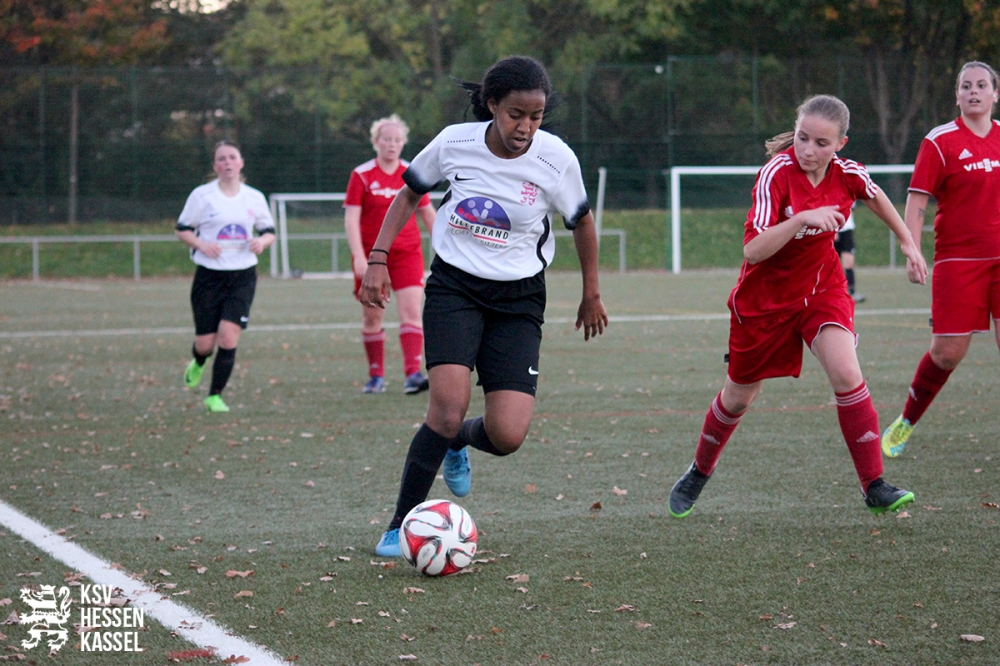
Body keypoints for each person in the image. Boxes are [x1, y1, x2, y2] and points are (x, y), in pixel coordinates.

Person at [361, 56, 608, 557]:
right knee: (446, 410)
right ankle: (398, 526)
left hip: (519, 299)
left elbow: (581, 221)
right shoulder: (455, 142)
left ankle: (460, 442)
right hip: (455, 287)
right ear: (492, 105)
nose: (526, 127)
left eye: (536, 116)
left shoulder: (556, 159)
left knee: (507, 434)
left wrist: (591, 293)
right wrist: (378, 259)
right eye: (516, 114)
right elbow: (409, 195)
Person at [667, 94, 928, 519]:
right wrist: (801, 219)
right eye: (803, 138)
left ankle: (874, 484)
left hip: (822, 288)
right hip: (764, 301)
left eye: (821, 143)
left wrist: (907, 242)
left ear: (840, 144)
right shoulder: (776, 174)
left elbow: (875, 195)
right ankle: (700, 470)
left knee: (847, 373)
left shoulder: (846, 173)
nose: (808, 150)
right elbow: (753, 250)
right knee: (738, 397)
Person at [882, 61, 1000, 458]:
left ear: (995, 94)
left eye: (981, 85)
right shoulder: (940, 141)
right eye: (966, 86)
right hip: (958, 261)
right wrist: (912, 248)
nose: (974, 92)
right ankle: (907, 420)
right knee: (947, 353)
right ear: (957, 95)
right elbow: (918, 199)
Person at [175, 140, 276, 413]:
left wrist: (261, 242)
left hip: (242, 277)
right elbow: (182, 229)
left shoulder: (254, 197)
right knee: (205, 344)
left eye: (232, 157)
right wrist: (201, 244)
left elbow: (269, 232)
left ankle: (214, 396)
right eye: (221, 158)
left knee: (228, 338)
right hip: (209, 277)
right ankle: (199, 361)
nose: (227, 162)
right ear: (215, 165)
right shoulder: (202, 196)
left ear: (241, 163)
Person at [345, 114, 437, 394]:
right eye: (386, 139)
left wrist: (447, 247)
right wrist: (359, 257)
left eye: (397, 140)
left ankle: (413, 375)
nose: (392, 144)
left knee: (411, 313)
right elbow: (351, 219)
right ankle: (376, 376)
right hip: (373, 259)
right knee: (372, 317)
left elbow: (427, 213)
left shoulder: (412, 172)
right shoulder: (362, 175)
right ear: (376, 142)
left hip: (407, 254)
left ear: (403, 143)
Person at [834, 204, 865, 302]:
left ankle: (852, 292)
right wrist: (834, 230)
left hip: (847, 231)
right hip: (832, 230)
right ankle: (833, 293)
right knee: (832, 264)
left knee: (849, 263)